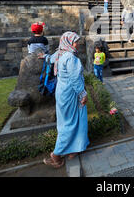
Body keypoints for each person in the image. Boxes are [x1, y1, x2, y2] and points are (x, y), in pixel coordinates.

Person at [41, 32, 89, 168]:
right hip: (71, 93)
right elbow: (75, 79)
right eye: (75, 41)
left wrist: (44, 56)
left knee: (70, 120)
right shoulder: (71, 58)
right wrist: (83, 94)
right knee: (70, 123)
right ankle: (56, 155)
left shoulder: (60, 53)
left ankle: (73, 149)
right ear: (68, 42)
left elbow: (50, 59)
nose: (77, 44)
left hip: (62, 92)